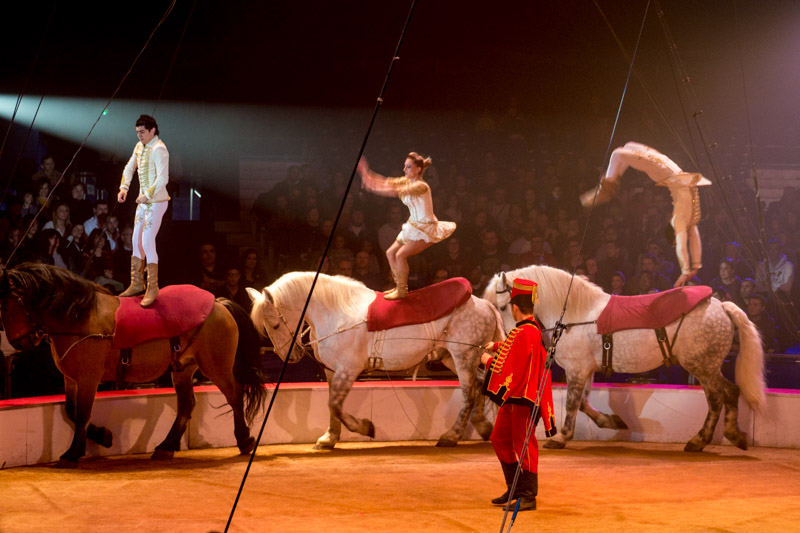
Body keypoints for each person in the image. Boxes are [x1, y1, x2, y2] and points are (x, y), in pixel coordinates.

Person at [580, 141, 711, 287]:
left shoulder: (686, 220)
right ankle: (609, 187)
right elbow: (685, 244)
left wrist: (693, 267)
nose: (682, 237)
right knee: (621, 151)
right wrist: (689, 269)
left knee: (621, 151)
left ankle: (606, 189)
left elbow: (693, 241)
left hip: (671, 170)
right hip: (666, 171)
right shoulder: (682, 221)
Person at [481, 278, 556, 512]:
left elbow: (513, 366)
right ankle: (514, 486)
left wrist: (488, 361)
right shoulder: (526, 330)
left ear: (515, 307)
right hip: (515, 398)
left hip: (522, 398)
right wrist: (497, 346)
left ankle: (528, 495)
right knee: (499, 438)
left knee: (524, 444)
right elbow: (515, 351)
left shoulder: (526, 332)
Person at [358, 152, 455, 300]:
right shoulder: (406, 181)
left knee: (400, 255)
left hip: (425, 229)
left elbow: (392, 191)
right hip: (413, 225)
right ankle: (398, 287)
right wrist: (367, 175)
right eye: (404, 166)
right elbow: (387, 182)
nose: (404, 169)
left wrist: (371, 187)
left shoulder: (421, 186)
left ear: (417, 169)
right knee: (390, 253)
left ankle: (402, 290)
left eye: (408, 167)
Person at [118, 114, 170, 307]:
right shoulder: (140, 147)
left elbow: (163, 179)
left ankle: (152, 287)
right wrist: (124, 187)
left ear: (152, 131)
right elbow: (129, 167)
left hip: (156, 201)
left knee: (147, 240)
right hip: (143, 201)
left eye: (142, 132)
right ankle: (136, 282)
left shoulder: (160, 149)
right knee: (135, 239)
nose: (139, 135)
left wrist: (147, 195)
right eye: (137, 132)